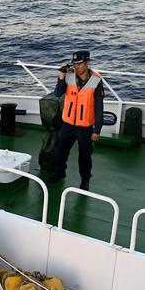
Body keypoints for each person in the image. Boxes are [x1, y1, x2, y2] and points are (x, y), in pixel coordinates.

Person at [53, 50, 105, 190]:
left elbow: (99, 107)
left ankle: (85, 180)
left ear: (87, 63)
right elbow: (58, 93)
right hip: (68, 124)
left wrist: (97, 129)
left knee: (84, 156)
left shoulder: (96, 81)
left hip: (85, 126)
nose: (76, 67)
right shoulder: (69, 77)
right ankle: (60, 173)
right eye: (74, 64)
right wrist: (61, 76)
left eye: (80, 64)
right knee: (60, 151)